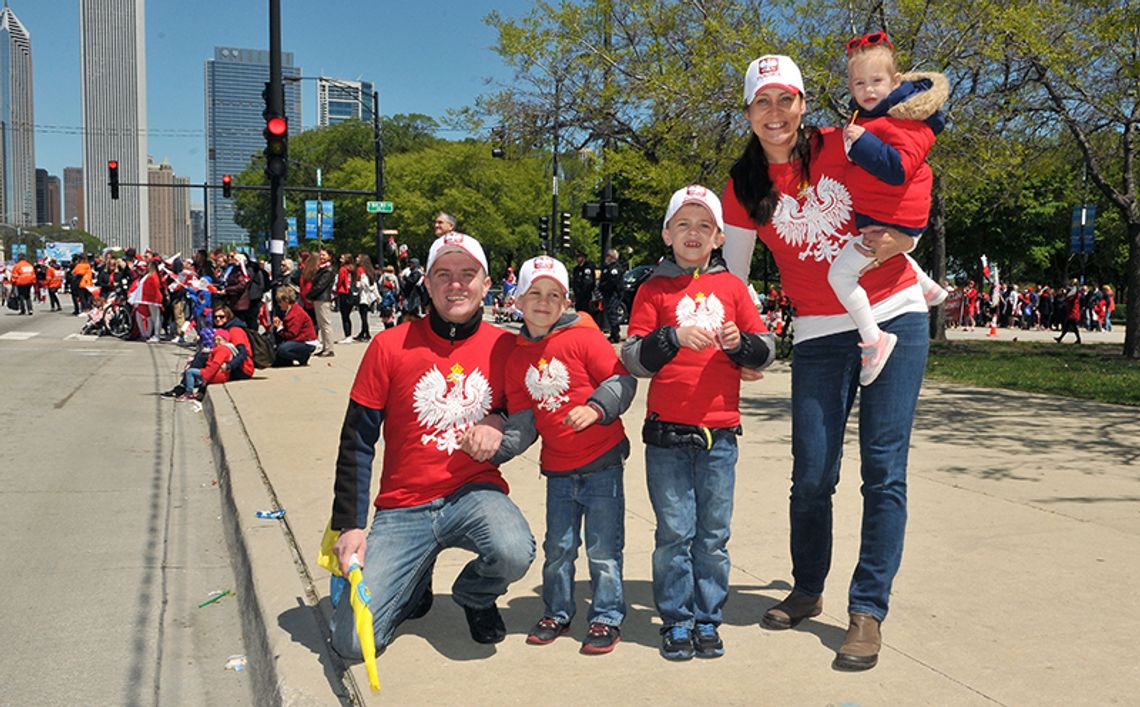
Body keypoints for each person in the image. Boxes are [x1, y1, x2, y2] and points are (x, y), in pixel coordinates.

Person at [722, 53, 931, 671]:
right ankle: (808, 587)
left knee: (883, 471)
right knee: (812, 473)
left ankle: (867, 610)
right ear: (749, 112)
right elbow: (734, 278)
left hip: (893, 313)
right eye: (763, 101)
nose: (776, 113)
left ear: (804, 104)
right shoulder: (743, 185)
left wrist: (910, 238)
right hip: (817, 333)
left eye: (786, 99)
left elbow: (912, 175)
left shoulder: (846, 143)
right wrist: (741, 346)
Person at [327, 232, 534, 662]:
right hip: (404, 505)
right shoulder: (389, 345)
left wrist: (499, 419)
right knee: (350, 643)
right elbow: (357, 441)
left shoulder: (508, 346)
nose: (455, 284)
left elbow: (528, 412)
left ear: (486, 282)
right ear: (427, 282)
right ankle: (415, 581)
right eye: (443, 274)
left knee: (514, 550)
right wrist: (348, 524)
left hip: (473, 493)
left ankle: (475, 595)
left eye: (467, 274)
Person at [621, 185, 774, 661]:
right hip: (667, 435)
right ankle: (677, 620)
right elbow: (633, 358)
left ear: (719, 237)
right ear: (667, 233)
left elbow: (766, 347)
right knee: (674, 533)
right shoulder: (652, 289)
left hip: (720, 435)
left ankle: (708, 618)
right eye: (683, 224)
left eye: (704, 225)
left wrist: (739, 343)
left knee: (712, 535)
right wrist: (670, 337)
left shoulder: (732, 288)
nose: (693, 233)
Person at [474, 255, 636, 654]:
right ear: (518, 300)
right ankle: (558, 610)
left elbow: (622, 380)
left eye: (554, 295)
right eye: (535, 293)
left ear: (566, 302)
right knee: (558, 548)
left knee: (603, 549)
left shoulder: (583, 336)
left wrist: (597, 408)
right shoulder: (517, 355)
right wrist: (494, 451)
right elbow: (525, 422)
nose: (544, 302)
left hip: (602, 464)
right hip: (559, 470)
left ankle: (606, 616)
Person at [827, 32, 948, 385]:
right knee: (882, 247)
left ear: (895, 81)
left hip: (893, 215)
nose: (867, 89)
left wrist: (861, 144)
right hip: (888, 217)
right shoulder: (876, 119)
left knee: (840, 276)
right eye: (858, 82)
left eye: (876, 81)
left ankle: (874, 338)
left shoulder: (907, 119)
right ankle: (927, 285)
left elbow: (897, 169)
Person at [271, 286, 318, 366]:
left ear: (286, 301)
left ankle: (302, 356)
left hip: (306, 342)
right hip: (298, 340)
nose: (279, 305)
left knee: (282, 350)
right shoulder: (288, 311)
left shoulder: (296, 313)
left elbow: (291, 334)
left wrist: (279, 328)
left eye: (280, 302)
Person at [307, 248, 337, 357]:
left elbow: (321, 285)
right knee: (322, 324)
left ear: (329, 256)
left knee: (325, 324)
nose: (321, 257)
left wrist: (309, 295)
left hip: (323, 299)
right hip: (318, 298)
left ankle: (329, 349)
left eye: (324, 255)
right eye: (320, 255)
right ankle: (325, 347)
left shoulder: (328, 270)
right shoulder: (322, 268)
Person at [598, 249, 624, 342]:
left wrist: (604, 287)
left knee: (612, 313)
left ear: (611, 257)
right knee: (609, 314)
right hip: (607, 295)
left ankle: (615, 334)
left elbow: (612, 283)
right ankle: (613, 333)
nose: (606, 258)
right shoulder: (607, 268)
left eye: (608, 256)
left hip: (613, 294)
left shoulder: (615, 269)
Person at [354, 254, 378, 342]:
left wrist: (357, 283)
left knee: (363, 315)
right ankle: (363, 332)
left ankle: (366, 333)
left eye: (359, 258)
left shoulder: (360, 269)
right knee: (364, 315)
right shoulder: (370, 270)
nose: (356, 259)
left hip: (363, 295)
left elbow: (359, 283)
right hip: (369, 295)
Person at [335, 252, 357, 344]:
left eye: (342, 258)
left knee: (344, 316)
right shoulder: (352, 269)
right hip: (350, 293)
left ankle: (347, 335)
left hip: (343, 292)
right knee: (347, 315)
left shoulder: (342, 269)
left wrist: (336, 290)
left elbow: (340, 281)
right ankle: (349, 335)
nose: (340, 259)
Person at [1056, 280, 1082, 344]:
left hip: (1073, 312)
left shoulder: (1075, 293)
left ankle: (1078, 339)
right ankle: (1060, 338)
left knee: (1072, 327)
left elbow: (1070, 298)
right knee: (1068, 327)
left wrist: (1065, 294)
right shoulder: (1074, 291)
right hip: (1071, 311)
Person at [571, 249, 596, 314]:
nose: (577, 259)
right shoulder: (576, 269)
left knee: (586, 314)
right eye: (576, 257)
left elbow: (588, 283)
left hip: (586, 298)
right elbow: (575, 282)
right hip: (578, 297)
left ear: (583, 257)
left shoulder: (588, 268)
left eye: (578, 257)